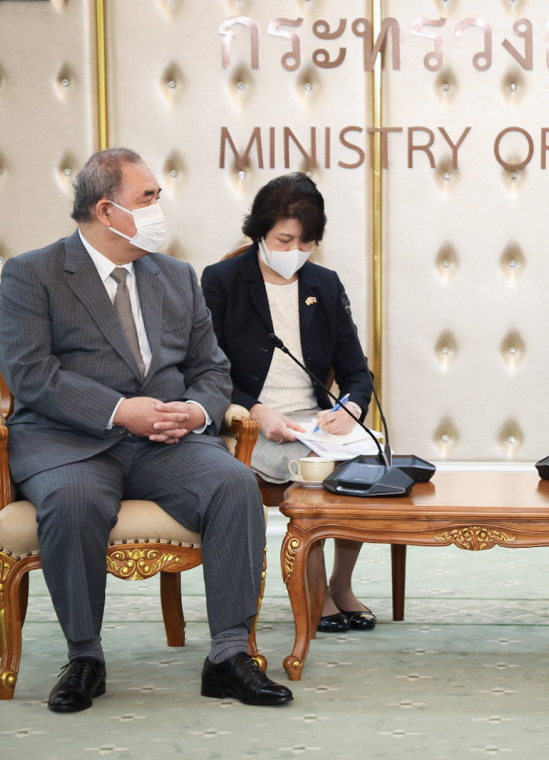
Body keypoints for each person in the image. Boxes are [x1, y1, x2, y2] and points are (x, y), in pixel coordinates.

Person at [0, 148, 291, 712]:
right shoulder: (33, 273)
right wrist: (119, 409)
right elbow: (31, 374)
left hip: (166, 443)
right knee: (74, 500)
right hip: (69, 442)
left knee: (234, 484)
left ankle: (229, 656)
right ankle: (85, 657)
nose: (158, 207)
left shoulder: (175, 276)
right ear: (106, 211)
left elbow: (212, 370)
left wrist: (196, 412)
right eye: (147, 197)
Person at [201, 173, 376, 634]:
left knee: (367, 466)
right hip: (249, 420)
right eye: (285, 240)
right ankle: (316, 597)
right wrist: (256, 410)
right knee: (312, 478)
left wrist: (351, 409)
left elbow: (357, 372)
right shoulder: (222, 281)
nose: (296, 250)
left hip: (314, 421)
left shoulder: (325, 283)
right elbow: (205, 369)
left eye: (307, 242)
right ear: (259, 231)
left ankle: (340, 585)